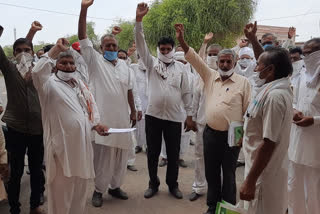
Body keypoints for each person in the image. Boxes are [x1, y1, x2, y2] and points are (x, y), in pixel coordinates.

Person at [175, 23, 251, 214]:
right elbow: (194, 58)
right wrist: (181, 40)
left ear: (233, 63)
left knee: (229, 174)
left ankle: (227, 209)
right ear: (217, 63)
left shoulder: (244, 83)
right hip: (210, 134)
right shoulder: (210, 76)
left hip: (232, 136)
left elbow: (248, 111)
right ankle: (212, 207)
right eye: (222, 62)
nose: (224, 65)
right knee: (211, 173)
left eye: (228, 62)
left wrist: (244, 135)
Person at [32, 38, 109, 214]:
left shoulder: (79, 84)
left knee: (79, 192)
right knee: (61, 194)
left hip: (81, 148)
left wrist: (96, 125)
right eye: (63, 62)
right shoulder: (48, 84)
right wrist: (55, 50)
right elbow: (36, 72)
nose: (68, 66)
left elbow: (89, 109)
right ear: (56, 65)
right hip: (61, 150)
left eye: (71, 63)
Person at [78, 0, 136, 207]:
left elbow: (129, 89)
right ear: (101, 48)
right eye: (107, 46)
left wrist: (134, 110)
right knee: (102, 159)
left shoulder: (124, 66)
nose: (111, 48)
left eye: (114, 45)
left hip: (122, 118)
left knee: (121, 158)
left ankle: (115, 186)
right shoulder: (94, 62)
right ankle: (98, 190)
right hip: (102, 121)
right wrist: (84, 9)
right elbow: (83, 37)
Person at [135, 3, 193, 200]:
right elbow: (141, 45)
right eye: (162, 49)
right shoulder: (151, 64)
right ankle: (153, 183)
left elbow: (186, 93)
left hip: (175, 117)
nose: (166, 51)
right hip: (153, 116)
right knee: (152, 153)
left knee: (174, 153)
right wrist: (139, 21)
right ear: (158, 49)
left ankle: (173, 185)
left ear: (173, 49)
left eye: (169, 49)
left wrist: (190, 115)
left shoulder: (181, 68)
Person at [237, 47, 293, 214]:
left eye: (258, 65)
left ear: (270, 69)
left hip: (263, 176)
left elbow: (268, 143)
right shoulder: (269, 90)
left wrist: (251, 181)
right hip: (257, 168)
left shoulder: (275, 97)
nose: (255, 69)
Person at [0, 21, 44, 214]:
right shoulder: (10, 69)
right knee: (16, 172)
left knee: (36, 171)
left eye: (27, 50)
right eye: (19, 50)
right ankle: (14, 208)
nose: (23, 53)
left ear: (33, 53)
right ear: (14, 54)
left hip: (38, 129)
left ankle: (35, 205)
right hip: (16, 129)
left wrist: (32, 32)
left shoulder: (41, 70)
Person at [288, 38, 320, 214]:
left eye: (311, 53)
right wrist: (293, 110)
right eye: (304, 53)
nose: (306, 57)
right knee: (293, 189)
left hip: (316, 150)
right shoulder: (300, 76)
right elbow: (293, 100)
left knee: (314, 194)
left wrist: (314, 120)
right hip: (296, 145)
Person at [159, 51, 195, 169]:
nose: (181, 64)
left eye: (183, 62)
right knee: (166, 134)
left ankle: (180, 157)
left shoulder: (192, 76)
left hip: (186, 110)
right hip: (171, 109)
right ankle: (164, 157)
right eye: (178, 61)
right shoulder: (167, 73)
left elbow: (193, 94)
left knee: (184, 135)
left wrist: (191, 113)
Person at [117, 50, 143, 172]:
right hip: (113, 110)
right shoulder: (110, 71)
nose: (121, 59)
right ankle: (116, 163)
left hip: (128, 110)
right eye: (119, 57)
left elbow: (135, 92)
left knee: (129, 137)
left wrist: (138, 109)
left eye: (123, 57)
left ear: (127, 58)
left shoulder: (130, 72)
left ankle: (129, 161)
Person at [188, 69, 207, 202]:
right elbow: (195, 101)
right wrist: (192, 118)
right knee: (200, 156)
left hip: (223, 126)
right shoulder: (201, 79)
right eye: (210, 55)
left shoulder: (236, 79)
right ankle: (199, 187)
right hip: (202, 124)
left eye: (215, 54)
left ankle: (221, 189)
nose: (212, 57)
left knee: (222, 160)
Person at [130, 55, 148, 154]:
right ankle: (138, 145)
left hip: (149, 102)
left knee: (148, 127)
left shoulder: (152, 69)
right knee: (137, 125)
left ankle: (147, 145)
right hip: (138, 101)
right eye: (140, 57)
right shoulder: (133, 67)